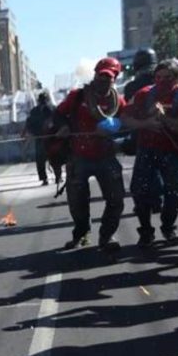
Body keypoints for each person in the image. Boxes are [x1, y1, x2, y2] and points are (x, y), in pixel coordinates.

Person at [54, 57, 129, 251]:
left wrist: (116, 127)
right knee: (77, 201)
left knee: (116, 199)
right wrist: (62, 127)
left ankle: (107, 236)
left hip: (106, 155)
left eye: (109, 77)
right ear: (95, 74)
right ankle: (81, 232)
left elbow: (128, 123)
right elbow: (58, 114)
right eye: (101, 75)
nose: (104, 80)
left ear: (115, 79)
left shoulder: (118, 101)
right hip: (79, 156)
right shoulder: (77, 96)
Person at [124, 60, 178, 248]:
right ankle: (146, 231)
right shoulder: (143, 94)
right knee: (139, 191)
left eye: (168, 77)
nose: (162, 81)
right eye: (158, 77)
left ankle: (168, 227)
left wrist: (164, 118)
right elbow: (125, 118)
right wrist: (146, 124)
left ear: (177, 78)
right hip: (146, 150)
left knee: (173, 192)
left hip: (172, 151)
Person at [22, 92, 60, 186]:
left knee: (54, 158)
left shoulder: (52, 109)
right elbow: (29, 123)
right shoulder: (36, 111)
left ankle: (56, 177)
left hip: (51, 138)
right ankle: (46, 178)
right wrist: (29, 132)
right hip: (42, 138)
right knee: (42, 159)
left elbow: (58, 121)